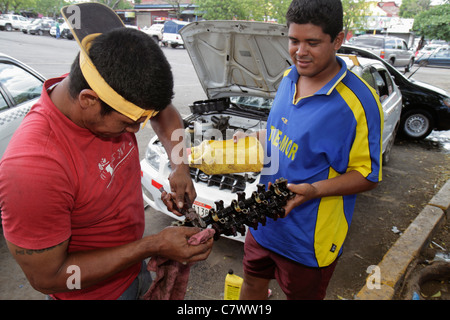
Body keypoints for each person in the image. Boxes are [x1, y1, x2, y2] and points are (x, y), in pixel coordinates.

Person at [0, 27, 213, 300]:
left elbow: (163, 112)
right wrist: (153, 245)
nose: (136, 131)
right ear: (88, 100)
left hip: (134, 268)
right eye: (128, 123)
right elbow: (48, 277)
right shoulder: (34, 168)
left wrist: (180, 167)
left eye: (141, 121)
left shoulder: (109, 82)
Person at [236, 0, 383, 300]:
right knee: (251, 286)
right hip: (262, 221)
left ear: (338, 40)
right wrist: (254, 139)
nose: (300, 52)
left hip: (308, 240)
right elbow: (282, 135)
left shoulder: (359, 103)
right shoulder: (287, 79)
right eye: (294, 40)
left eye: (312, 42)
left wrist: (313, 190)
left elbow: (368, 175)